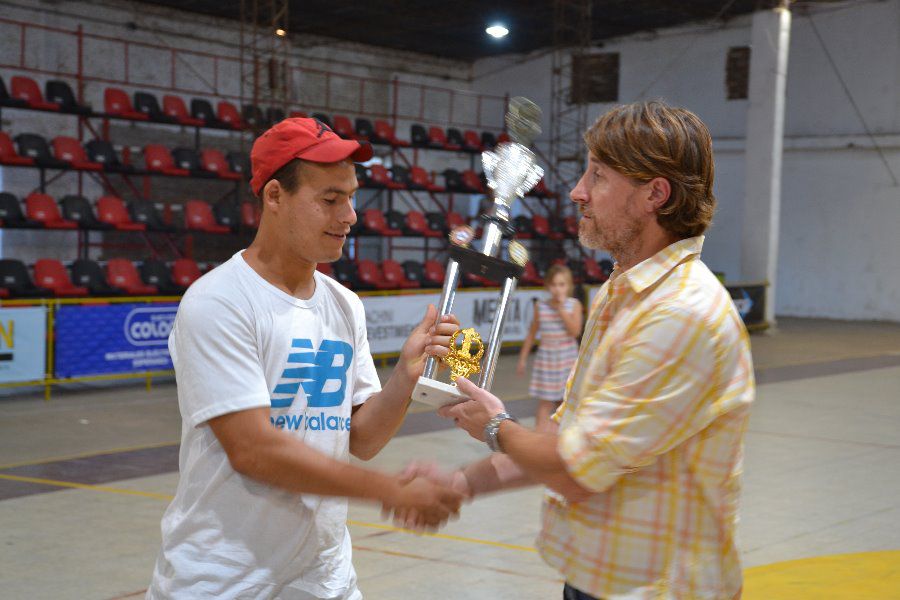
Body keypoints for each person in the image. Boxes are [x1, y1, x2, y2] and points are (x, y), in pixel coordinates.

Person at [409, 101, 755, 600]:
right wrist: (462, 483)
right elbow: (571, 441)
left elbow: (574, 470)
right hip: (604, 579)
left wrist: (494, 426)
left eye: (599, 176)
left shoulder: (679, 315)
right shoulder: (625, 292)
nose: (578, 192)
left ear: (655, 194)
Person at [147, 117, 465, 600]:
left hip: (324, 576)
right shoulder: (219, 301)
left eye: (352, 197)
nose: (350, 216)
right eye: (330, 200)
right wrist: (390, 491)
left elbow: (360, 438)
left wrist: (404, 375)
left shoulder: (343, 304)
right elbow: (254, 451)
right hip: (222, 579)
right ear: (274, 197)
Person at [517, 264, 583, 431]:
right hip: (547, 357)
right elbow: (532, 333)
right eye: (554, 285)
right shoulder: (541, 306)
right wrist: (523, 359)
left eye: (562, 284)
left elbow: (575, 331)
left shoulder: (574, 305)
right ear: (547, 286)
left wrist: (561, 309)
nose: (557, 289)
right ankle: (538, 439)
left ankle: (562, 438)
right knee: (545, 401)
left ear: (568, 286)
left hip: (567, 356)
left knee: (565, 400)